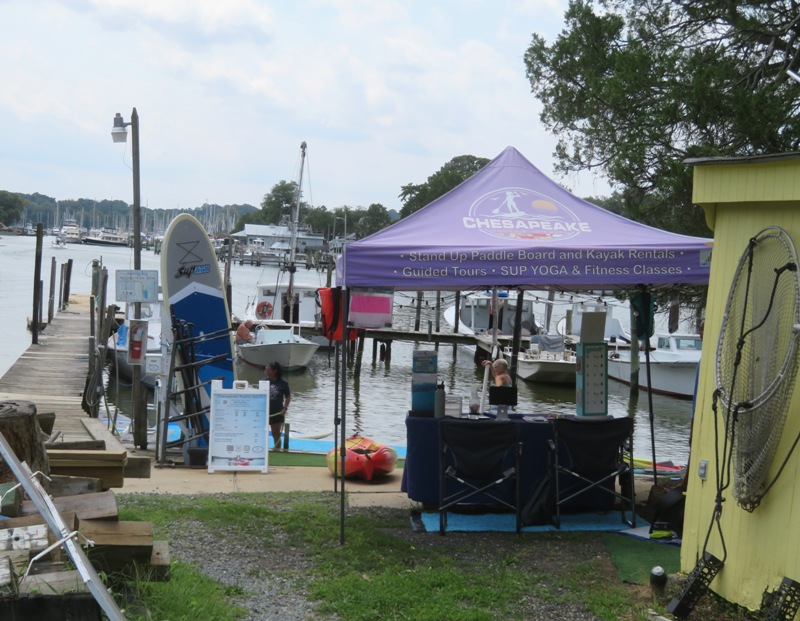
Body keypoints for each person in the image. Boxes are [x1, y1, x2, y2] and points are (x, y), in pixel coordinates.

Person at [265, 361, 291, 450]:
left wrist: (285, 408)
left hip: (277, 412)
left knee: (275, 434)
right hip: (264, 411)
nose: (266, 372)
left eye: (269, 370)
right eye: (266, 370)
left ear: (275, 371)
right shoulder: (263, 382)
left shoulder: (283, 383)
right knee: (259, 433)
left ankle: (277, 450)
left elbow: (288, 396)